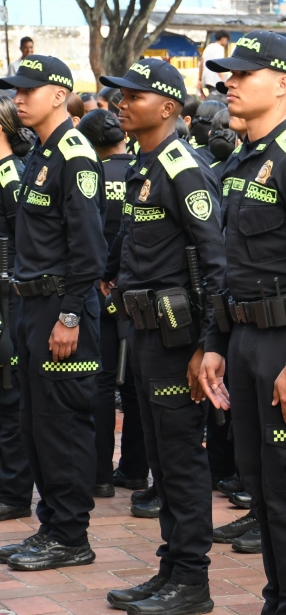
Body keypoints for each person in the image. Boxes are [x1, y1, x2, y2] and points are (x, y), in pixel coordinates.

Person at [198, 30, 286, 614]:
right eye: (227, 76)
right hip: (246, 343)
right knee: (260, 487)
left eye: (242, 74)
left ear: (283, 84)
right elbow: (231, 265)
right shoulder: (243, 161)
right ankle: (278, 600)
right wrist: (215, 342)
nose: (228, 84)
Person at [94, 59, 225, 614]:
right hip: (145, 333)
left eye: (134, 95)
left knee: (179, 460)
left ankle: (192, 579)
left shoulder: (182, 167)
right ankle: (171, 565)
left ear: (168, 106)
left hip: (180, 343)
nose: (121, 102)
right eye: (119, 94)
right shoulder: (144, 165)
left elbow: (216, 263)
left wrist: (207, 346)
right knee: (161, 463)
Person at [0, 55, 106, 570]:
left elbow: (88, 248)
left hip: (61, 309)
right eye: (15, 90)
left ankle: (70, 535)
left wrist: (69, 316)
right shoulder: (43, 152)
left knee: (63, 423)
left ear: (59, 95)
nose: (18, 97)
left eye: (28, 89)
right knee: (37, 422)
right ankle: (52, 528)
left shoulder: (75, 155)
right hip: (32, 307)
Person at [77, 108, 149, 500]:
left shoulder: (91, 175)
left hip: (101, 287)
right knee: (137, 384)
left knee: (103, 382)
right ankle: (136, 471)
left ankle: (101, 473)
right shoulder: (141, 172)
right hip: (135, 288)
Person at [0, 97, 32, 523]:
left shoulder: (11, 178)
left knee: (9, 397)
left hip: (9, 298)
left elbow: (25, 243)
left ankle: (13, 490)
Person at [198, 30, 230, 97]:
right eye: (226, 40)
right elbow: (218, 65)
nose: (226, 42)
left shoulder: (209, 47)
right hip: (215, 80)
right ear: (223, 38)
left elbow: (201, 64)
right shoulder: (219, 48)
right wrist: (224, 80)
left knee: (212, 98)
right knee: (219, 100)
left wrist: (199, 79)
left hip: (207, 79)